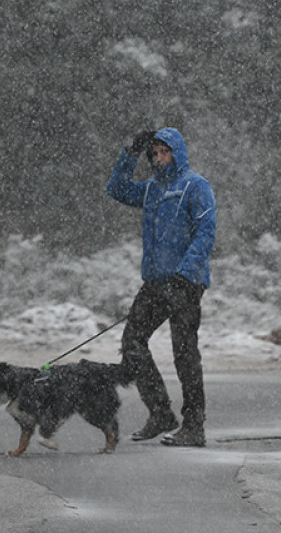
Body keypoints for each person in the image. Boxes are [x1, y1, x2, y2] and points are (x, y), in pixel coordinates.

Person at [106, 127, 216, 447]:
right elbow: (116, 188)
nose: (158, 158)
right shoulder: (152, 189)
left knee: (184, 354)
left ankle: (194, 426)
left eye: (162, 152)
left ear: (176, 152)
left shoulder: (195, 186)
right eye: (153, 154)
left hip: (185, 282)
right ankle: (161, 413)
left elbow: (205, 232)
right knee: (132, 341)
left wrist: (185, 273)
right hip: (155, 282)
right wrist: (130, 154)